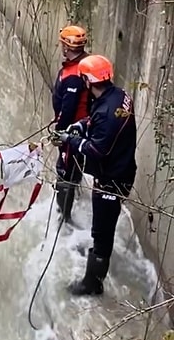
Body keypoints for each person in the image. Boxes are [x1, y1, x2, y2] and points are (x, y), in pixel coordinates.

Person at [52, 55, 137, 296]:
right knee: (103, 226)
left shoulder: (108, 111)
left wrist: (72, 139)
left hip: (111, 180)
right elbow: (98, 119)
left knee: (102, 234)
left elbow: (97, 150)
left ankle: (92, 284)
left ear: (88, 81)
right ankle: (94, 263)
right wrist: (83, 125)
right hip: (122, 169)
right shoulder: (118, 96)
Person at [51, 25, 90, 222]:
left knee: (65, 172)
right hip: (83, 128)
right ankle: (72, 193)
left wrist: (59, 132)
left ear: (66, 47)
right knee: (74, 167)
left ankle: (63, 217)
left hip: (72, 131)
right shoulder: (87, 64)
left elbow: (68, 108)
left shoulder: (73, 75)